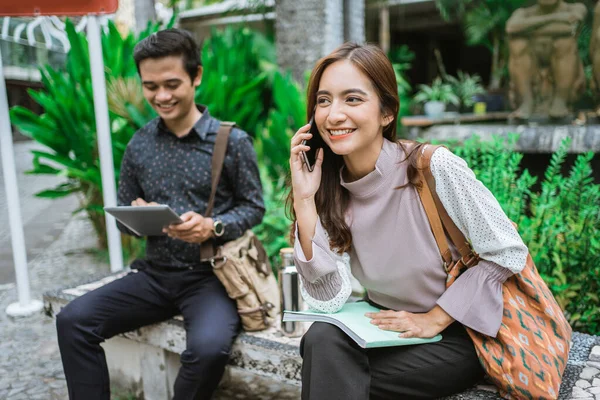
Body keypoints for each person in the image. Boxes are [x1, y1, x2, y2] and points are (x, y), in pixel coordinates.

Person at [288, 42, 530, 399]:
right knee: (321, 340)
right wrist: (305, 201)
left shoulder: (433, 167)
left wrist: (435, 317)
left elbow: (508, 252)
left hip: (453, 334)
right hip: (383, 329)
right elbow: (330, 298)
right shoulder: (327, 186)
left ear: (387, 113)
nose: (333, 115)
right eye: (324, 101)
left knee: (331, 371)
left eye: (352, 99)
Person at [56, 29, 265, 400]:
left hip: (211, 278)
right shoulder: (139, 144)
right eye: (151, 86)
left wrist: (212, 226)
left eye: (172, 84)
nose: (162, 96)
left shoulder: (232, 142)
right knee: (73, 321)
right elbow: (124, 216)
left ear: (196, 76)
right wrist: (137, 217)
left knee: (207, 350)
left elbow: (254, 207)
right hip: (153, 276)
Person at [506, 0, 586, 119]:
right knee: (518, 44)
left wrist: (528, 28)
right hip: (532, 61)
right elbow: (511, 27)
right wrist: (556, 18)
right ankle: (526, 101)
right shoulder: (524, 12)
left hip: (562, 59)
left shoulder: (575, 8)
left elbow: (570, 29)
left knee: (564, 42)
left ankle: (560, 100)